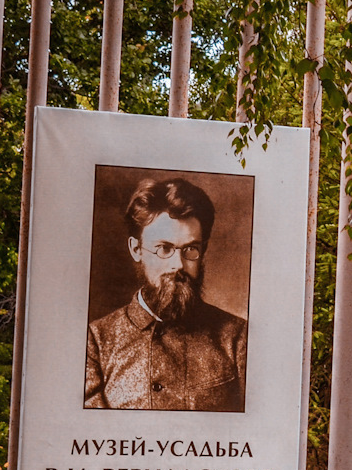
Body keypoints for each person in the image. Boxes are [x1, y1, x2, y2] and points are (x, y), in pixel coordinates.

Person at [84, 176, 248, 411]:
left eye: (191, 249)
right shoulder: (96, 342)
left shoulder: (237, 338)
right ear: (136, 249)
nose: (178, 264)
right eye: (165, 248)